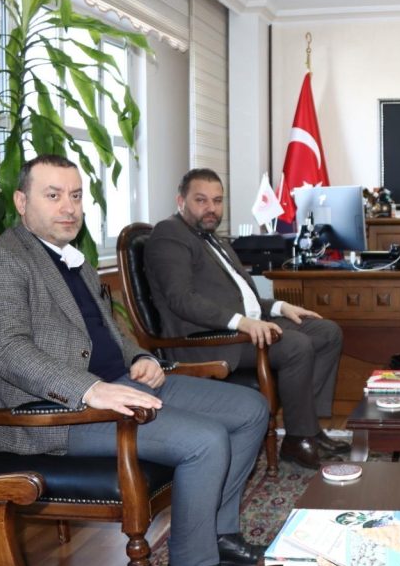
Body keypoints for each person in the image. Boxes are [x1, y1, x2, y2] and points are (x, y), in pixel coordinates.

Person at [0, 155, 268, 566]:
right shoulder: (0, 259)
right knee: (205, 440)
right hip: (56, 412)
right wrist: (90, 390)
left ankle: (217, 533)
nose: (69, 207)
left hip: (121, 384)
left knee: (251, 409)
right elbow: (8, 351)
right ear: (21, 201)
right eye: (53, 196)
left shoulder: (74, 260)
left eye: (75, 196)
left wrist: (141, 357)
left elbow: (111, 335)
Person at [145, 168, 347, 470]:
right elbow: (181, 299)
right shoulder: (170, 234)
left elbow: (240, 298)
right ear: (180, 201)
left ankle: (310, 429)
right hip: (205, 338)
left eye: (217, 201)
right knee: (296, 346)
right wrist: (241, 322)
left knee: (327, 333)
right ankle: (297, 440)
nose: (211, 208)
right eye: (201, 200)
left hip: (239, 327)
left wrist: (280, 307)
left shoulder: (214, 239)